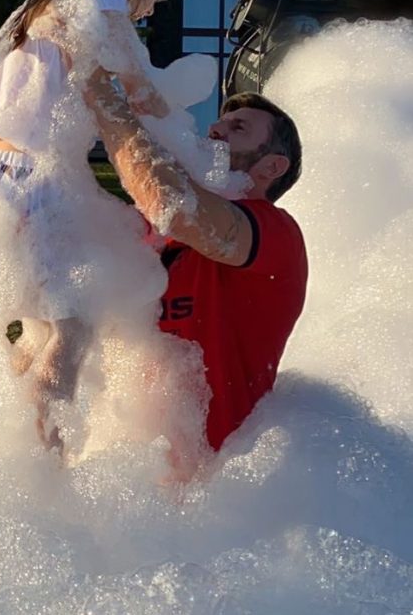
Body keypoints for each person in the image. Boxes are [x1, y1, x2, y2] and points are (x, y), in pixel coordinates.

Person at [0, 0, 234, 450]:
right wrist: (196, 155)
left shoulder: (43, 3)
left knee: (41, 327)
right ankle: (41, 471)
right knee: (71, 331)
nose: (153, 6)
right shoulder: (101, 5)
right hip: (40, 181)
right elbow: (145, 94)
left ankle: (5, 453)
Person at [84, 77, 307, 456]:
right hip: (127, 472)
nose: (216, 130)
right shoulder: (157, 238)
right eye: (217, 125)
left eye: (238, 128)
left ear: (272, 166)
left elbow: (175, 206)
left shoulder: (276, 231)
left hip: (219, 483)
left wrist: (103, 99)